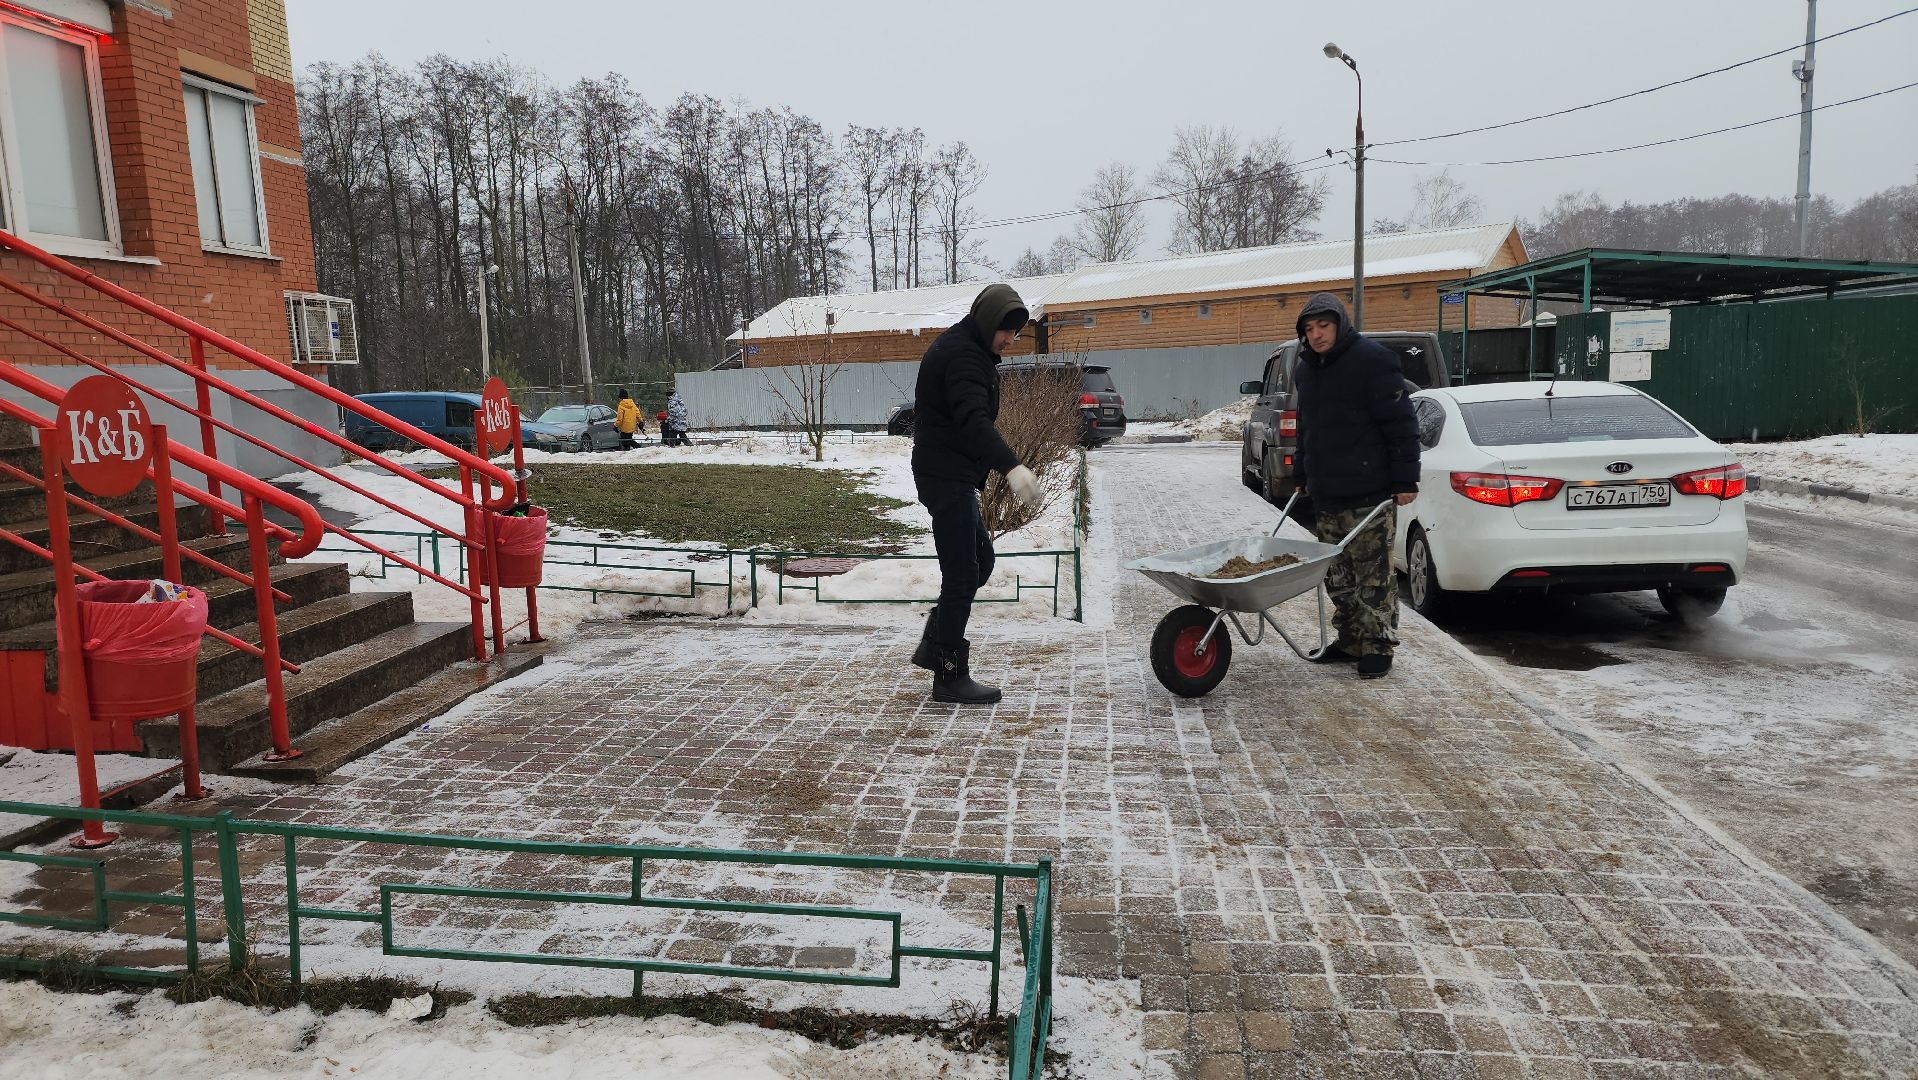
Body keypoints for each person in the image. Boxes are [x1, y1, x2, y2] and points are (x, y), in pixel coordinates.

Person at [908, 283, 1042, 704]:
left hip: (951, 474)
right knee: (964, 573)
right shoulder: (964, 356)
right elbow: (973, 421)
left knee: (980, 563)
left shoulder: (968, 348)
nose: (1010, 340)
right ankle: (948, 674)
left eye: (1016, 333)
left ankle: (938, 640)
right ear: (987, 321)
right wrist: (1012, 466)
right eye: (1006, 330)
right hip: (944, 476)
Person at [1291, 292, 1419, 679]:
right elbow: (1307, 426)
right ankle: (1350, 639)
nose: (1316, 335)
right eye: (1309, 329)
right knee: (1338, 574)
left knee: (1372, 575)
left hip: (1370, 490)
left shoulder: (1372, 360)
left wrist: (1404, 478)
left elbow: (1400, 423)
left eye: (1323, 326)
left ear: (1340, 324)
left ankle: (1378, 644)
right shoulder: (1306, 368)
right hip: (1327, 491)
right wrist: (1302, 471)